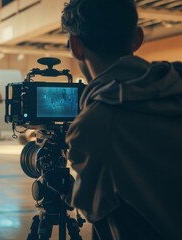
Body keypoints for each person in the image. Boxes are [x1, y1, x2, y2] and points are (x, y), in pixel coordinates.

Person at [61, 0, 182, 239]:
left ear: (76, 46)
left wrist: (67, 192)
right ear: (137, 38)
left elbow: (92, 209)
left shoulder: (94, 125)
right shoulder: (175, 84)